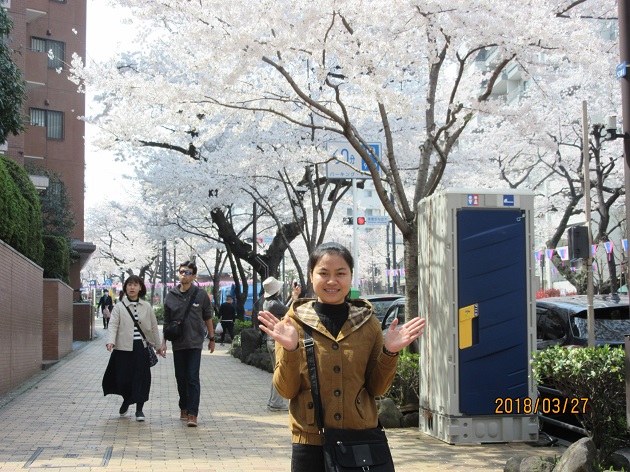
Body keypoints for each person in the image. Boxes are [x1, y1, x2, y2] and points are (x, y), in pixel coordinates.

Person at [258, 242, 425, 472]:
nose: (332, 281)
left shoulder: (368, 324)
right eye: (323, 273)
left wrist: (390, 352)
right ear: (311, 276)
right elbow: (286, 390)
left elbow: (377, 389)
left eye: (340, 273)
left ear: (351, 276)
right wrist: (290, 350)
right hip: (310, 442)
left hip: (359, 439)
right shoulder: (292, 324)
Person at [160, 260, 215, 427]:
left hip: (195, 343)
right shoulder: (171, 295)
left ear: (194, 276)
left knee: (192, 377)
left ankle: (192, 413)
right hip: (178, 343)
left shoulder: (201, 295)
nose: (184, 275)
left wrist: (212, 339)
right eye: (182, 272)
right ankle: (183, 405)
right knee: (180, 378)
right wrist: (163, 343)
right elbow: (167, 321)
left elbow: (207, 317)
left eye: (188, 272)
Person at [103, 276, 164, 421]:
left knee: (141, 378)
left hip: (141, 347)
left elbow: (154, 327)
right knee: (123, 378)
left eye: (135, 285)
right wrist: (110, 341)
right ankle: (127, 400)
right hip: (123, 348)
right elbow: (113, 325)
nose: (132, 287)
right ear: (125, 287)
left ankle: (139, 410)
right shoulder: (119, 307)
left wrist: (158, 346)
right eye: (129, 284)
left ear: (140, 288)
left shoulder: (147, 307)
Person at [262, 276, 301, 411]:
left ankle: (273, 401)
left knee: (277, 370)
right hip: (275, 341)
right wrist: (295, 298)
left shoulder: (270, 302)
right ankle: (276, 403)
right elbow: (290, 312)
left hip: (272, 340)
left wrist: (292, 297)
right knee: (280, 371)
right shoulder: (273, 304)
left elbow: (284, 308)